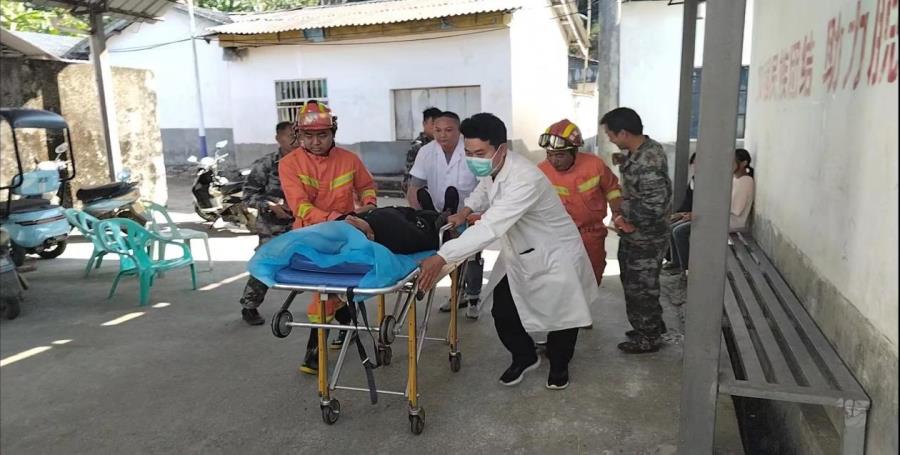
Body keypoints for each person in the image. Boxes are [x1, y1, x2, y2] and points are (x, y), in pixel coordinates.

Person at [417, 113, 598, 390]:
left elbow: (490, 227)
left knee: (562, 316)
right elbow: (484, 188)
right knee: (502, 311)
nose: (473, 159)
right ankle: (525, 356)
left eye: (479, 153)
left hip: (554, 253)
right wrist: (465, 210)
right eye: (468, 153)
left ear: (501, 148)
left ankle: (559, 366)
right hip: (522, 250)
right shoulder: (496, 166)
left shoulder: (524, 178)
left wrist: (442, 256)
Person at [278, 100, 379, 375]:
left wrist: (369, 204)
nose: (315, 142)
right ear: (298, 134)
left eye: (322, 135)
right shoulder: (289, 164)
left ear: (333, 133)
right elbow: (300, 207)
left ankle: (338, 332)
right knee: (323, 292)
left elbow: (366, 186)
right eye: (308, 136)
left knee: (332, 289)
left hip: (346, 235)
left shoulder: (349, 159)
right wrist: (336, 218)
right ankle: (318, 347)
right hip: (310, 237)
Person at [601, 107, 672, 354]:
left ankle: (648, 337)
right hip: (635, 234)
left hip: (646, 237)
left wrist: (623, 215)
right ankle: (651, 326)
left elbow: (655, 205)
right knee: (636, 283)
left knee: (641, 288)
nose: (609, 138)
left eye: (610, 134)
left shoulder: (648, 160)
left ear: (623, 133)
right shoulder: (638, 153)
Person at [406, 111, 483, 319]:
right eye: (438, 130)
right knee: (447, 254)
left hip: (471, 212)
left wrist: (477, 214)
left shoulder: (471, 150)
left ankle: (473, 297)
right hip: (440, 214)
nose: (442, 135)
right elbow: (414, 188)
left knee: (472, 257)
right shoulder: (426, 152)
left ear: (459, 131)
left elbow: (485, 185)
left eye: (448, 130)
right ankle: (457, 294)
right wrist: (421, 216)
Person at [537, 118, 622, 286]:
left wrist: (617, 214)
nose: (554, 161)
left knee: (591, 279)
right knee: (560, 282)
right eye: (549, 155)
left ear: (574, 151)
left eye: (560, 155)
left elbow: (612, 189)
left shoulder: (594, 165)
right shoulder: (541, 171)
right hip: (557, 236)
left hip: (591, 235)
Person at [239, 121, 297, 326]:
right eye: (290, 135)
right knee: (266, 263)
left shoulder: (308, 162)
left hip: (303, 221)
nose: (295, 140)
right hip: (273, 226)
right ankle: (250, 305)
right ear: (278, 138)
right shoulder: (266, 164)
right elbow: (247, 197)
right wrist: (270, 205)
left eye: (298, 135)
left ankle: (325, 307)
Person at [669, 149, 755, 272]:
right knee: (673, 226)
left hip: (732, 222)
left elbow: (735, 209)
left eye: (732, 162)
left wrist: (701, 215)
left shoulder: (746, 181)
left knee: (679, 231)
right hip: (720, 218)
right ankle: (677, 263)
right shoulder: (735, 179)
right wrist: (696, 214)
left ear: (743, 163)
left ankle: (687, 270)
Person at [664, 152, 696, 271]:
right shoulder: (694, 180)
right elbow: (687, 202)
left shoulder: (709, 183)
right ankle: (674, 261)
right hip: (690, 214)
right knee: (669, 225)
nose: (696, 166)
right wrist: (679, 214)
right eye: (694, 163)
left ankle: (685, 268)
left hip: (701, 217)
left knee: (678, 231)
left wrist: (690, 214)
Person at [401, 107, 441, 193]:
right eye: (433, 123)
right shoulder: (417, 146)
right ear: (424, 124)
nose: (436, 127)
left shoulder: (443, 143)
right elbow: (410, 178)